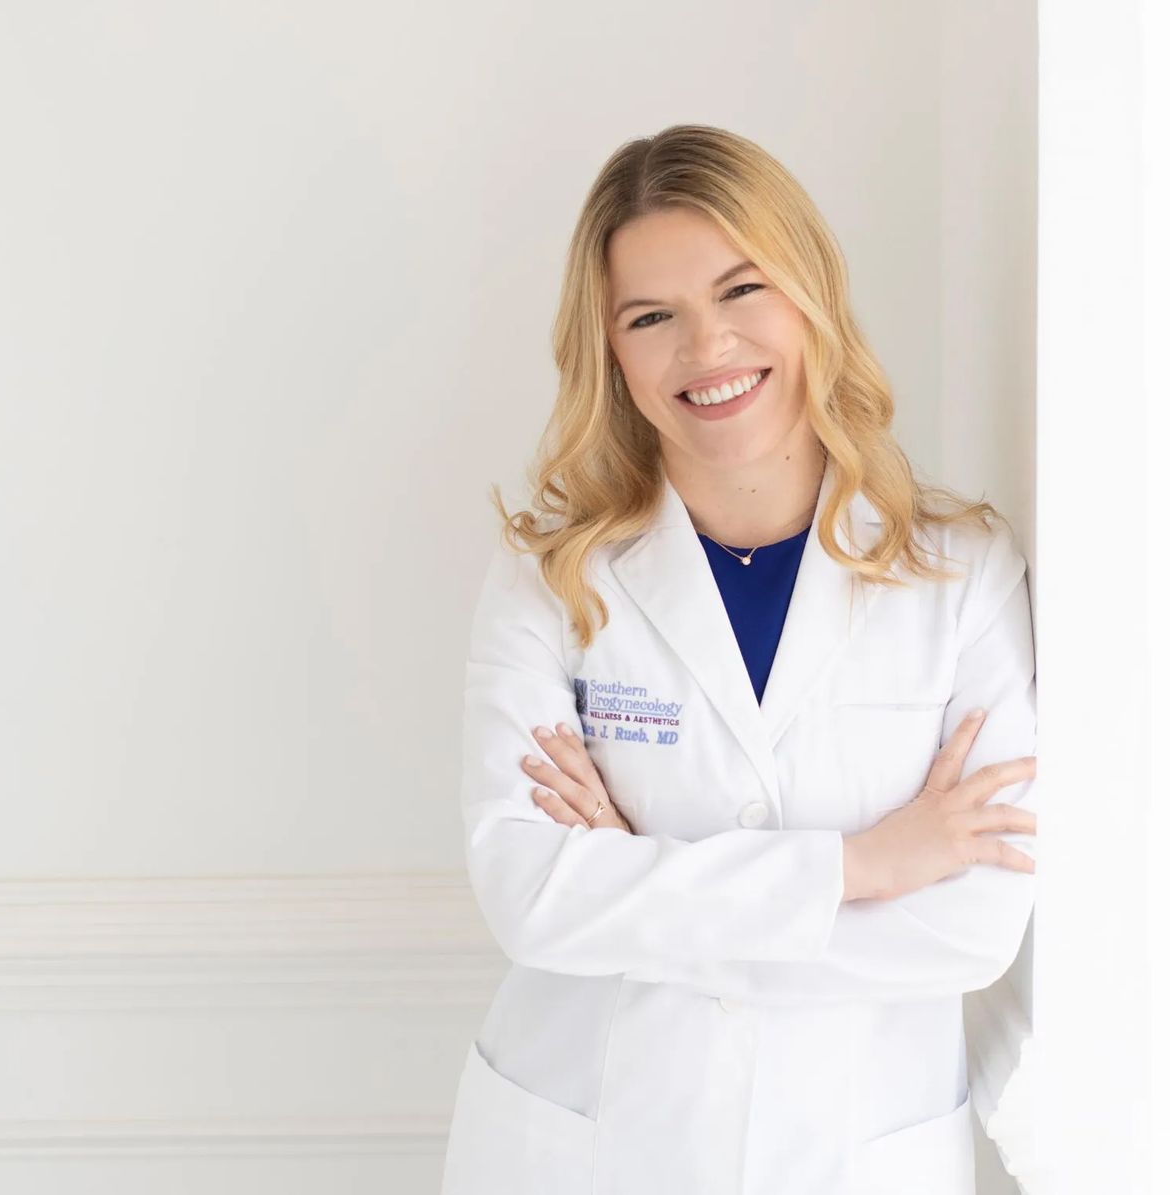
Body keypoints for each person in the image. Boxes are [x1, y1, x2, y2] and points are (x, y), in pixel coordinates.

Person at [439, 124, 1038, 1195]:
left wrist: (637, 885)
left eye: (742, 289)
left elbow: (972, 930)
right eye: (651, 316)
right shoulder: (551, 577)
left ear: (811, 297)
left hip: (853, 1156)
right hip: (594, 1150)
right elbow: (532, 897)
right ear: (610, 352)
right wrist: (863, 867)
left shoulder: (963, 576)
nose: (706, 347)